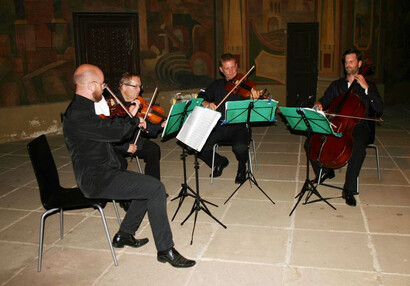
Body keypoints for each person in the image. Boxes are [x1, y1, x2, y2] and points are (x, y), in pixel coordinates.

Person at [63, 64, 195, 268]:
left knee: (146, 187)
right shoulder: (78, 114)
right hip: (96, 178)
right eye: (102, 84)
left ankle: (124, 235)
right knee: (156, 189)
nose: (104, 87)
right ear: (91, 85)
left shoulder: (86, 106)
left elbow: (107, 131)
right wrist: (132, 119)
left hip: (106, 170)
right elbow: (113, 133)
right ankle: (165, 249)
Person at [309, 48, 383, 207]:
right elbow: (325, 100)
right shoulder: (336, 85)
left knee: (358, 147)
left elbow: (378, 107)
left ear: (359, 63)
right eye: (346, 62)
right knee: (311, 142)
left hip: (361, 126)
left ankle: (349, 189)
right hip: (338, 123)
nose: (348, 65)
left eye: (352, 61)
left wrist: (367, 89)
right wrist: (319, 104)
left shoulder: (368, 85)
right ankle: (325, 172)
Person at [197, 53, 263, 184]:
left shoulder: (246, 86)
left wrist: (256, 98)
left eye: (233, 67)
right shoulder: (216, 85)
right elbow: (201, 96)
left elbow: (257, 105)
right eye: (227, 68)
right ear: (221, 69)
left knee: (240, 147)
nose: (231, 71)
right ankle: (219, 161)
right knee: (199, 146)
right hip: (218, 126)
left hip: (239, 126)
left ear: (237, 66)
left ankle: (241, 169)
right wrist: (206, 103)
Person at [111, 72, 165, 181]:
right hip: (114, 144)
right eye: (135, 86)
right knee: (120, 163)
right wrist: (125, 147)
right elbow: (111, 133)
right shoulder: (112, 105)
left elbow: (145, 126)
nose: (139, 90)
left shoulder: (136, 102)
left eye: (140, 86)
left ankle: (153, 187)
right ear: (124, 86)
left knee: (153, 150)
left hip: (132, 139)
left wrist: (161, 125)